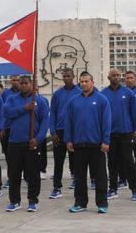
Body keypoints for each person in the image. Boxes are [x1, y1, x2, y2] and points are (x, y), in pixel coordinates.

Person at [65, 71, 112, 214]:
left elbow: (106, 121)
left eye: (87, 81)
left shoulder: (102, 100)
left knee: (100, 177)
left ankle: (102, 203)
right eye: (82, 81)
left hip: (97, 146)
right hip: (79, 145)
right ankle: (80, 203)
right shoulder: (73, 101)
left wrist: (106, 140)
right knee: (79, 177)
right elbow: (68, 121)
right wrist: (68, 139)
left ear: (93, 82)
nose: (84, 83)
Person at [3, 76, 49, 212]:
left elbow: (45, 122)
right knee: (14, 174)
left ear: (31, 84)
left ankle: (33, 201)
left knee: (33, 174)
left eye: (25, 83)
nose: (23, 85)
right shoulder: (12, 99)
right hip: (15, 142)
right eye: (21, 83)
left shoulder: (39, 101)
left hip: (31, 143)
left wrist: (38, 139)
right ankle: (15, 201)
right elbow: (6, 112)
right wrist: (25, 108)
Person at [101, 68, 136, 201]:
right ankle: (112, 189)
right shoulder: (103, 94)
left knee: (129, 161)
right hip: (110, 134)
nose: (116, 77)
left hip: (126, 133)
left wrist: (135, 130)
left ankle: (135, 189)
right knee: (112, 163)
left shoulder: (128, 93)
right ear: (108, 77)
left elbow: (134, 113)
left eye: (118, 75)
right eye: (113, 75)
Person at [49, 69, 82, 199]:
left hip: (74, 132)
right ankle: (57, 187)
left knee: (76, 160)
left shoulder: (79, 93)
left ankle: (77, 182)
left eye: (69, 76)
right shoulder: (57, 94)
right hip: (60, 132)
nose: (67, 78)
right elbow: (53, 113)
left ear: (73, 77)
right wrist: (53, 131)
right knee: (58, 161)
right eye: (64, 76)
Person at [1, 75, 21, 188]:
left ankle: (27, 176)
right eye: (14, 80)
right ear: (10, 81)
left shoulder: (26, 94)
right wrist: (2, 127)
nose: (16, 82)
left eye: (18, 80)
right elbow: (3, 111)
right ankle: (11, 177)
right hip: (8, 128)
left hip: (20, 128)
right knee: (9, 155)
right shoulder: (5, 94)